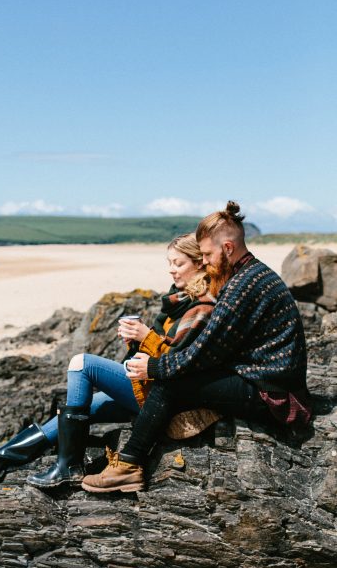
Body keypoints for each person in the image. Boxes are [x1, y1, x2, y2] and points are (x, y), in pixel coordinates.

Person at [81, 201, 312, 494]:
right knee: (179, 379)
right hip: (265, 378)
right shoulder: (253, 274)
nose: (204, 262)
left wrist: (153, 367)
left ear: (227, 248)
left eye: (206, 255)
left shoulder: (243, 286)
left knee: (169, 384)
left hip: (272, 393)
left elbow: (205, 350)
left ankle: (128, 466)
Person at [0, 234, 216, 489]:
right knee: (84, 406)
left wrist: (145, 335)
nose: (171, 270)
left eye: (178, 263)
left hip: (168, 400)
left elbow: (179, 362)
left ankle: (69, 468)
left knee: (82, 364)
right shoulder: (177, 301)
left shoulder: (201, 308)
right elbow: (156, 352)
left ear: (199, 263)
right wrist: (135, 342)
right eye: (169, 263)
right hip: (149, 386)